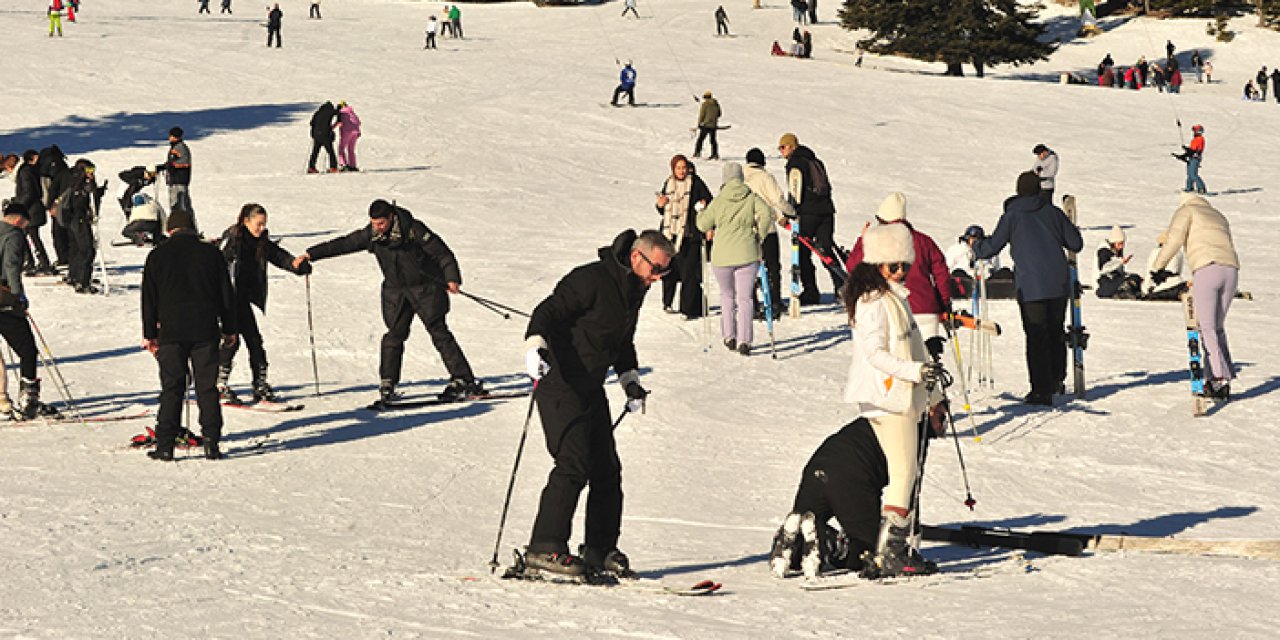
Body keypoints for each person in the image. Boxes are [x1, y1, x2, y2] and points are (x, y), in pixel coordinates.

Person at [784, 222, 942, 578]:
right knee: (903, 473)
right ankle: (891, 551)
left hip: (898, 394)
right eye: (892, 265)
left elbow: (911, 346)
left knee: (904, 471)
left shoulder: (892, 298)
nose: (900, 271)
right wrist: (915, 372)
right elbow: (875, 353)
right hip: (890, 396)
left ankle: (890, 547)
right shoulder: (874, 302)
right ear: (876, 264)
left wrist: (930, 384)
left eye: (904, 264)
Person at [519, 229, 672, 577]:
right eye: (657, 270)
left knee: (607, 468)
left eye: (664, 272)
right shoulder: (590, 279)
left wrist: (630, 380)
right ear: (637, 257)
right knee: (574, 462)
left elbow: (621, 340)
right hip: (558, 379)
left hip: (590, 385)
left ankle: (599, 549)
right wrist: (534, 347)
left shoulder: (635, 289)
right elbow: (548, 311)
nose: (659, 278)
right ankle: (544, 547)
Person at [294, 199, 485, 403]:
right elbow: (344, 243)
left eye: (381, 223)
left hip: (426, 289)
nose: (377, 228)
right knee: (394, 336)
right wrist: (311, 254)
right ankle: (388, 382)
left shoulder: (414, 229)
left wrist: (452, 277)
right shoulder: (372, 235)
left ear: (391, 217)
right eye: (374, 223)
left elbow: (442, 254)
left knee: (439, 333)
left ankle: (463, 379)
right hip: (395, 293)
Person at [971, 172, 1082, 406]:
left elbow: (991, 247)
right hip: (1058, 283)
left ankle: (1041, 390)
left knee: (1036, 335)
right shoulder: (1052, 212)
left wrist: (976, 245)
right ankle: (1056, 380)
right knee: (1055, 331)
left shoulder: (1012, 216)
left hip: (1031, 286)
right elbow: (1075, 243)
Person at [140, 208, 237, 461]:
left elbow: (148, 300)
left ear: (169, 230)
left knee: (172, 388)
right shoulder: (211, 254)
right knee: (207, 388)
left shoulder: (157, 255)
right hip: (205, 330)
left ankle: (165, 446)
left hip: (171, 332)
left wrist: (150, 334)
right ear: (193, 228)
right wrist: (229, 328)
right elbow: (226, 295)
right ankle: (212, 443)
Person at [215, 204, 311, 404]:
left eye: (264, 224)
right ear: (245, 221)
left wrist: (297, 266)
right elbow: (216, 264)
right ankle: (219, 384)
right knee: (231, 341)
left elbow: (280, 257)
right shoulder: (232, 240)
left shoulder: (262, 242)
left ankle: (259, 383)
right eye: (258, 224)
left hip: (242, 300)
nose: (261, 228)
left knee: (254, 341)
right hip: (226, 300)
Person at [1150, 194, 1239, 399]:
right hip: (1231, 271)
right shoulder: (1218, 215)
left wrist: (1158, 267)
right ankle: (1222, 377)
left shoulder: (1187, 210)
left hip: (1207, 269)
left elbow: (1174, 239)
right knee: (1217, 327)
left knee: (1206, 327)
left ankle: (1217, 378)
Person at [846, 193, 951, 338]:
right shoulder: (924, 240)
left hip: (895, 309)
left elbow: (853, 266)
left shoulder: (879, 239)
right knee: (929, 358)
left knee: (900, 359)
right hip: (926, 309)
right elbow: (941, 273)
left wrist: (863, 240)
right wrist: (943, 303)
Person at [696, 162, 772, 355]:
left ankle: (729, 335)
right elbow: (766, 214)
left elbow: (703, 225)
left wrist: (701, 212)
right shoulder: (751, 197)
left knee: (727, 295)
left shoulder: (719, 200)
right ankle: (744, 340)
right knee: (745, 298)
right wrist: (759, 235)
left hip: (722, 256)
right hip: (747, 253)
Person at [0, 202, 52, 420]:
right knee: (27, 350)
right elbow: (11, 264)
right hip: (3, 301)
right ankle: (28, 398)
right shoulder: (14, 235)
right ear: (19, 220)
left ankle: (2, 401)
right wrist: (17, 295)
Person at [778, 133, 837, 304]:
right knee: (826, 250)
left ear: (791, 146)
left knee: (803, 253)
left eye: (783, 147)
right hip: (826, 211)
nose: (781, 151)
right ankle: (841, 285)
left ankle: (810, 290)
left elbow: (795, 192)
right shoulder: (816, 161)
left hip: (807, 213)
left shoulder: (795, 163)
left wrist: (789, 213)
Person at [655, 154, 711, 317]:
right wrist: (660, 205)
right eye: (678, 168)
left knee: (689, 273)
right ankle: (667, 302)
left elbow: (708, 201)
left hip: (691, 234)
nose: (682, 171)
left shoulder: (695, 182)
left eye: (684, 167)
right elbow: (663, 209)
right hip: (670, 234)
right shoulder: (669, 183)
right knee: (669, 270)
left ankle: (687, 308)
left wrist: (703, 206)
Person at [742, 147, 793, 319]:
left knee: (748, 268)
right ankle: (774, 302)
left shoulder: (740, 178)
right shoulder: (765, 177)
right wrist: (789, 213)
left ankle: (752, 304)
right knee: (771, 266)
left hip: (745, 229)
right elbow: (775, 200)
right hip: (766, 229)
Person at [49, 159, 103, 294]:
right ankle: (83, 281)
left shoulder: (70, 179)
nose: (92, 174)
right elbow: (85, 200)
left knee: (75, 248)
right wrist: (93, 188)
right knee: (87, 250)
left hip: (71, 220)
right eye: (89, 171)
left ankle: (74, 276)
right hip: (79, 220)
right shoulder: (80, 184)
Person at [14, 151, 53, 276]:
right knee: (28, 236)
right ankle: (34, 262)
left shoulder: (26, 171)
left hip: (30, 210)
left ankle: (39, 263)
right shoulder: (34, 170)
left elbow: (28, 192)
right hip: (34, 208)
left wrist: (19, 206)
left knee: (30, 236)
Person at [37, 145, 71, 268]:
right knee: (64, 232)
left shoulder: (48, 169)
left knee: (58, 233)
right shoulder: (63, 167)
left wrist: (50, 204)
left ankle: (63, 258)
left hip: (57, 204)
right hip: (64, 203)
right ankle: (66, 257)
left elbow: (52, 189)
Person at [1095, 226, 1142, 299]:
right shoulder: (1104, 251)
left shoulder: (1117, 251)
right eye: (1120, 244)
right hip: (1103, 282)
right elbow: (1103, 269)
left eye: (1123, 244)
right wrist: (1120, 262)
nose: (1122, 246)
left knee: (1135, 278)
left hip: (1114, 278)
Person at [1142, 231, 1186, 301]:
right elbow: (1179, 271)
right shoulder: (1178, 252)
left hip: (1163, 288)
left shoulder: (1156, 252)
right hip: (1177, 284)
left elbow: (1150, 272)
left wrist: (1146, 290)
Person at [163, 127, 195, 222]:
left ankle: (181, 228)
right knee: (183, 206)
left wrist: (169, 166)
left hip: (178, 181)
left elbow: (183, 163)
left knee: (178, 207)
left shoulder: (179, 148)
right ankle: (190, 228)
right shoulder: (177, 147)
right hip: (177, 181)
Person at [308, 101, 339, 174]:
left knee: (315, 152)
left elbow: (311, 123)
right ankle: (333, 167)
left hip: (316, 135)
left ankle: (311, 167)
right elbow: (337, 113)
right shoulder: (330, 111)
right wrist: (339, 108)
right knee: (331, 152)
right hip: (325, 135)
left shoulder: (317, 113)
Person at [335, 101, 362, 172]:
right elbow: (358, 122)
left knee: (341, 148)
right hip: (355, 132)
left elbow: (338, 122)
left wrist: (330, 128)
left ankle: (344, 164)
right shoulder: (351, 112)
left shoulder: (341, 113)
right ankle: (353, 166)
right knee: (351, 149)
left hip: (347, 131)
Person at [1179, 124, 1206, 194]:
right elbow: (1192, 149)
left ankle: (1201, 188)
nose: (1194, 132)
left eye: (1195, 130)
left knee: (1193, 174)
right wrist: (1187, 150)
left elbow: (1195, 150)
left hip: (1195, 158)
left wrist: (1186, 153)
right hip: (1192, 157)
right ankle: (1189, 188)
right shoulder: (1195, 139)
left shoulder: (1199, 139)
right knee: (1189, 174)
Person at [693, 91, 721, 160]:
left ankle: (697, 153)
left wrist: (699, 123)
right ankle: (715, 154)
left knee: (700, 139)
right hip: (713, 125)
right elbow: (719, 114)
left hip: (706, 125)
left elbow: (702, 115)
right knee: (713, 140)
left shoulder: (705, 104)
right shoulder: (716, 104)